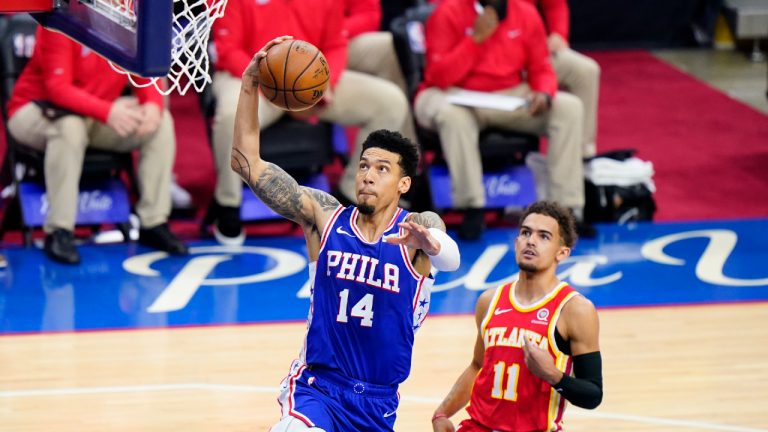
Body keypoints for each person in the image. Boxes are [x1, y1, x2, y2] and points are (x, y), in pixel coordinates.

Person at [232, 36, 460, 431]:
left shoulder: (418, 230)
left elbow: (451, 257)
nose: (368, 175)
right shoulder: (325, 217)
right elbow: (247, 164)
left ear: (404, 184)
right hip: (317, 389)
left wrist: (431, 243)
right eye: (364, 165)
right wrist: (250, 85)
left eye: (382, 169)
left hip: (377, 402)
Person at [208, 0, 414, 245]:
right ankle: (227, 204)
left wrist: (326, 83)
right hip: (252, 77)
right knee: (232, 117)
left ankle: (349, 196)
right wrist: (276, 88)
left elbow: (336, 45)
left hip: (307, 80)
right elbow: (228, 49)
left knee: (391, 102)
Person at [6, 27, 188, 265]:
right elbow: (57, 88)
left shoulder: (128, 19)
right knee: (70, 128)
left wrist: (153, 104)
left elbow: (146, 71)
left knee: (161, 123)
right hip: (35, 110)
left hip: (96, 112)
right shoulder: (64, 13)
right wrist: (108, 111)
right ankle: (59, 231)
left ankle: (153, 222)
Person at [414, 0, 586, 240]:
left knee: (569, 108)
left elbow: (542, 67)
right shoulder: (448, 12)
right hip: (453, 93)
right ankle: (471, 207)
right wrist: (475, 39)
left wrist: (544, 91)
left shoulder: (525, 13)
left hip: (508, 95)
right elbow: (440, 76)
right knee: (453, 117)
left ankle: (567, 209)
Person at [431, 201, 602, 432]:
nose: (531, 240)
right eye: (525, 233)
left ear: (562, 252)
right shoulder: (489, 301)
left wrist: (553, 375)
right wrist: (442, 413)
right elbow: (477, 366)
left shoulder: (574, 309)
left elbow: (593, 395)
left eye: (544, 236)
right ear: (516, 242)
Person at [521, 0, 601, 158]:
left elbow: (555, 4)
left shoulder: (525, 13)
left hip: (530, 52)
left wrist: (558, 33)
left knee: (586, 71)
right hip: (487, 59)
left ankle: (582, 155)